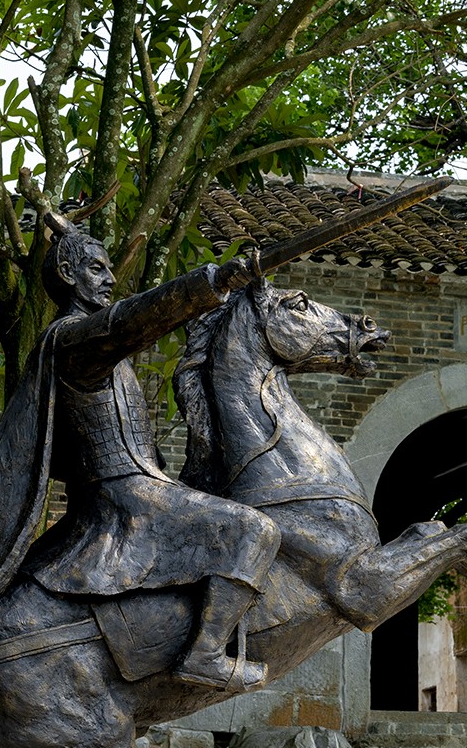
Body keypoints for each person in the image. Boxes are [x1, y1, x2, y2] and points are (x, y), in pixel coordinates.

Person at [14, 227, 279, 691]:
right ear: (66, 273)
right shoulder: (75, 340)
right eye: (96, 268)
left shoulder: (100, 349)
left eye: (109, 268)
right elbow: (132, 321)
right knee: (254, 529)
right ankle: (206, 653)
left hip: (145, 482)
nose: (110, 278)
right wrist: (212, 283)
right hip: (123, 494)